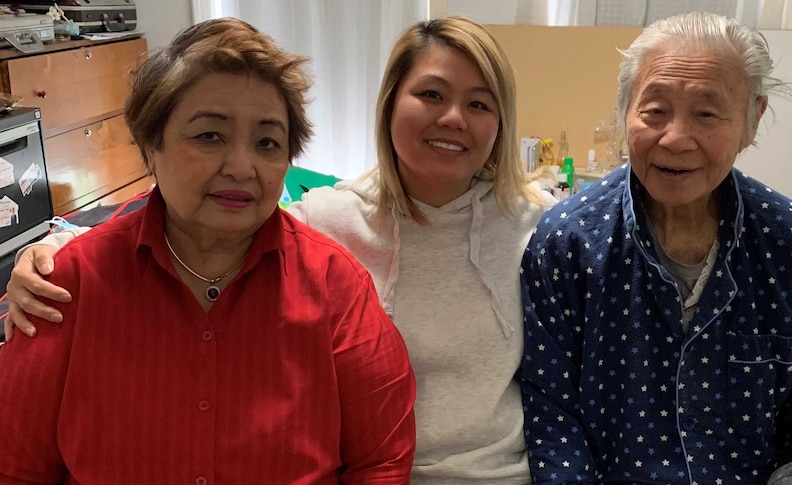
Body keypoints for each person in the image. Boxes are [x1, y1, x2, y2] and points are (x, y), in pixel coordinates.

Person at [3, 16, 555, 484]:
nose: (242, 167)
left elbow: (380, 458)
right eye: (209, 135)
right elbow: (17, 464)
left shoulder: (534, 236)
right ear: (151, 141)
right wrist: (51, 247)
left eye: (267, 143)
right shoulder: (67, 286)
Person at [517, 11, 792, 484]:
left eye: (706, 113)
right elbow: (551, 412)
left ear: (751, 120)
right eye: (654, 111)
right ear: (625, 115)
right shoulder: (568, 241)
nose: (676, 139)